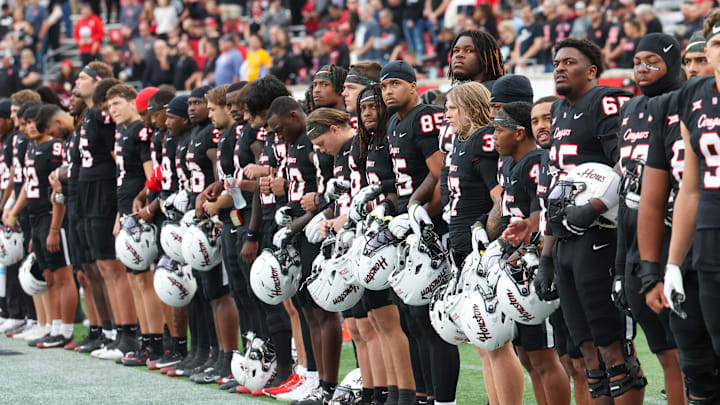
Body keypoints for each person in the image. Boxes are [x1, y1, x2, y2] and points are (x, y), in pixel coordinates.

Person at [532, 38, 645, 404]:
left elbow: (627, 162)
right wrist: (547, 255)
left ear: (592, 70)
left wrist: (596, 204)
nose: (559, 68)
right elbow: (555, 191)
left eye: (569, 62)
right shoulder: (562, 111)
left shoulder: (606, 100)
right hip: (567, 242)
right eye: (556, 62)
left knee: (616, 354)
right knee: (589, 360)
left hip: (602, 238)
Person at [658, 9, 720, 404]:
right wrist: (673, 264)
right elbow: (690, 190)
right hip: (710, 237)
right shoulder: (693, 96)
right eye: (715, 42)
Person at [6, 104, 76, 348]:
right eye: (25, 123)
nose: (29, 127)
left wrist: (55, 226)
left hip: (51, 214)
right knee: (49, 276)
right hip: (36, 216)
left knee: (63, 275)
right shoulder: (33, 149)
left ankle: (65, 330)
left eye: (33, 121)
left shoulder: (54, 146)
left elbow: (58, 186)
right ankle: (55, 326)